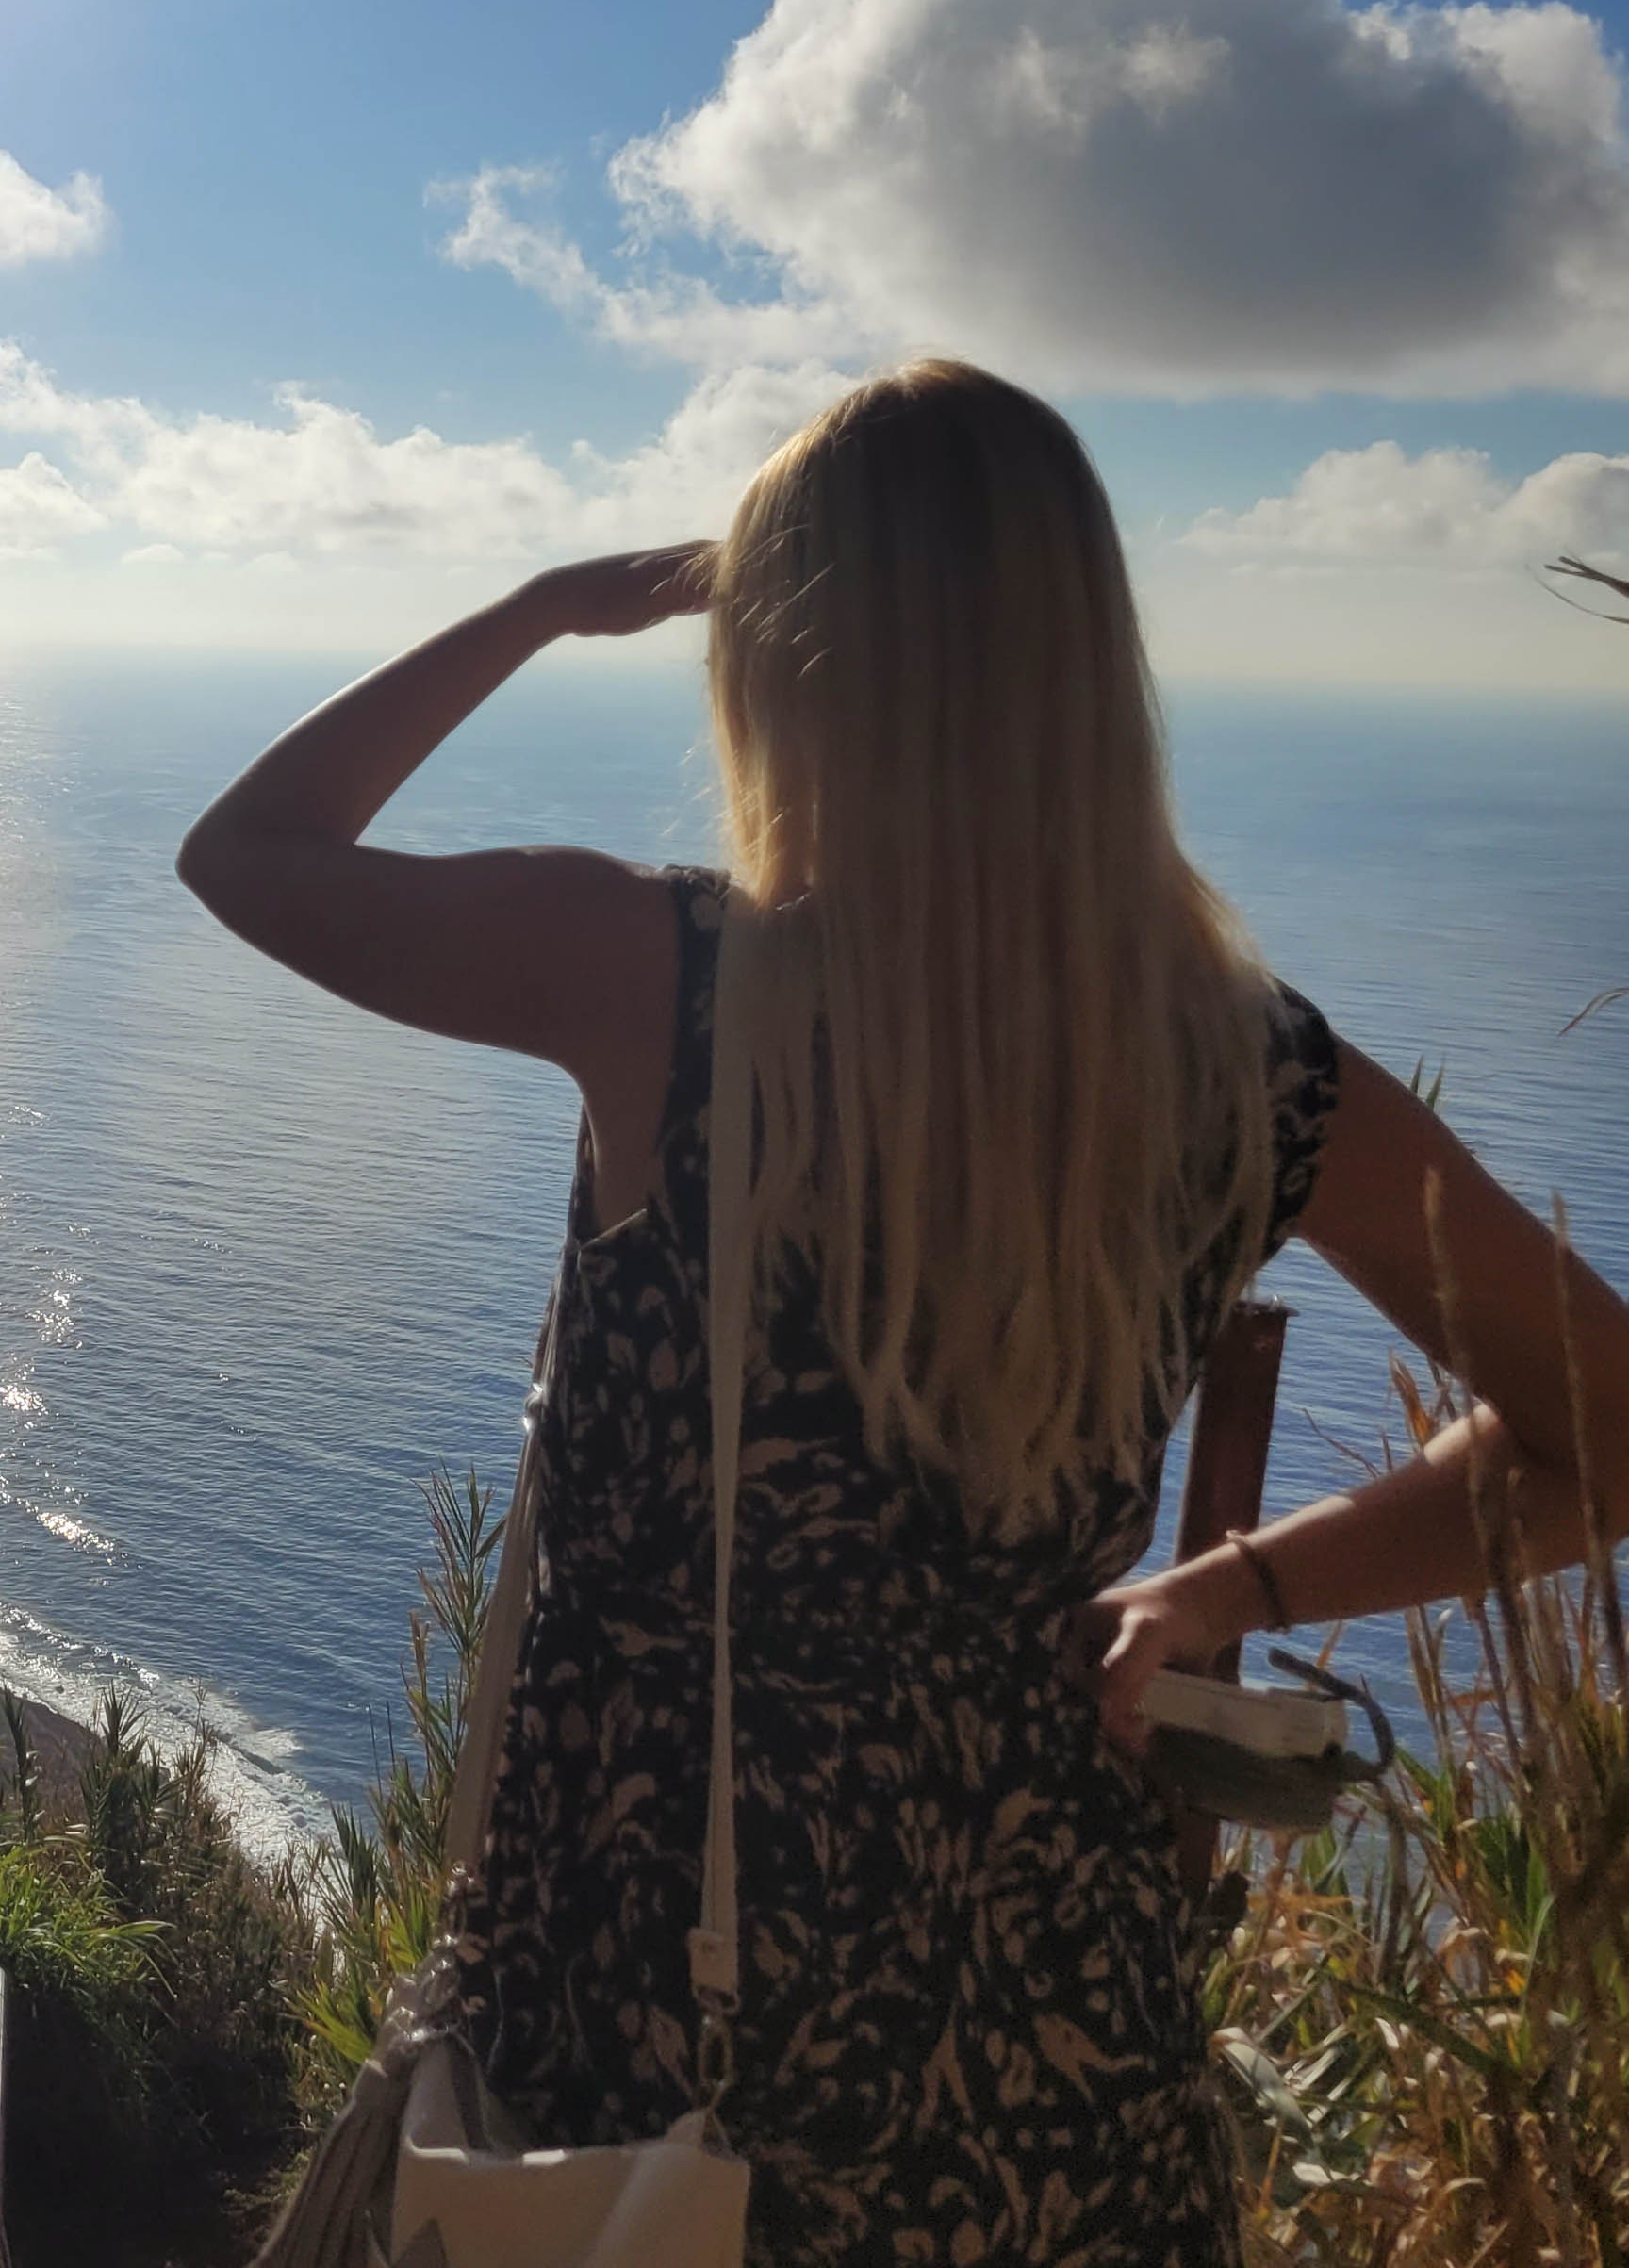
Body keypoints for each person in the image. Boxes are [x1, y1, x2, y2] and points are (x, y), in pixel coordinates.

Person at [174, 357, 1629, 2266]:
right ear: (1085, 674)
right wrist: (1231, 1590)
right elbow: (1608, 1429)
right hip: (1055, 2054)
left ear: (782, 665)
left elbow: (250, 853)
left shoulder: (662, 980)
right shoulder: (1249, 1072)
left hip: (660, 2040)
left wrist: (547, 606)